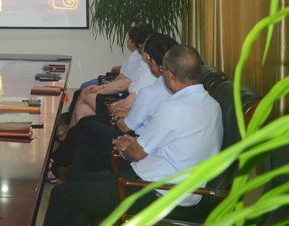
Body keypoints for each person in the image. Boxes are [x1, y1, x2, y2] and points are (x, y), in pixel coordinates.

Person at [44, 45, 223, 225]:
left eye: (163, 69)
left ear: (170, 75)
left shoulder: (173, 108)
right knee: (79, 181)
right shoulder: (213, 106)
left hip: (158, 193)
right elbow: (178, 144)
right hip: (180, 190)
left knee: (62, 195)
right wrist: (136, 141)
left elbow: (135, 153)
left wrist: (125, 148)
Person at [50, 34, 176, 181]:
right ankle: (64, 167)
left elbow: (125, 126)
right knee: (86, 123)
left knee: (87, 128)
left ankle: (58, 166)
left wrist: (119, 116)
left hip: (135, 138)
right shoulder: (170, 85)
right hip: (140, 131)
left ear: (151, 60)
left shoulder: (153, 90)